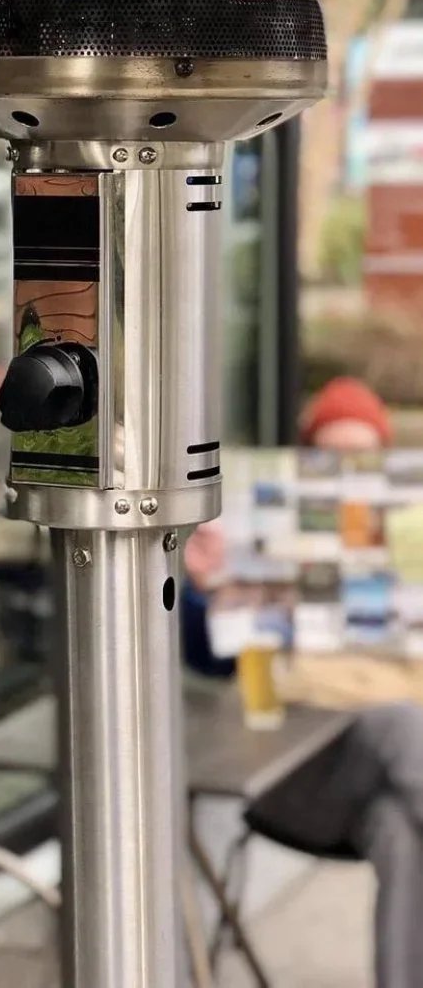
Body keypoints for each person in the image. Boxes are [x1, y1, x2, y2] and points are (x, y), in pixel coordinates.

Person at [186, 377, 423, 988]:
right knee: (400, 721)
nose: (346, 470)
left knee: (403, 830)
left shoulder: (410, 539)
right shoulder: (269, 530)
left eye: (362, 456)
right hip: (294, 772)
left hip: (394, 779)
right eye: (329, 455)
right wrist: (206, 590)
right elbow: (211, 661)